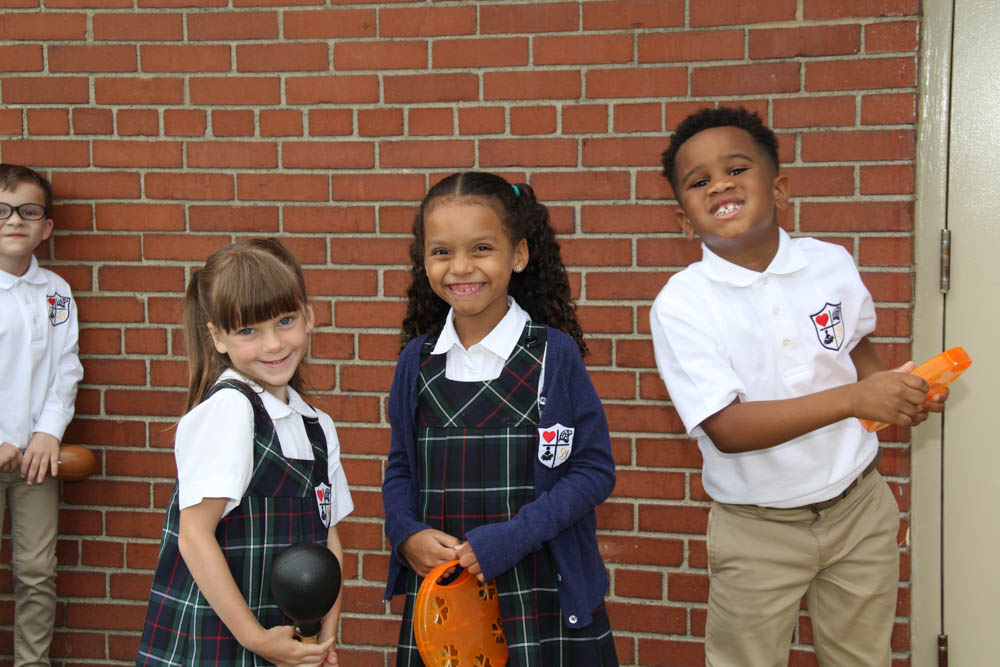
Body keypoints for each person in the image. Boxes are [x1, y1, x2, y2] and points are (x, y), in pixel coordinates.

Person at [649, 107, 948, 666]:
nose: (720, 185)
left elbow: (856, 353)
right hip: (756, 528)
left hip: (858, 507)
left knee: (862, 658)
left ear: (779, 188)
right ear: (684, 220)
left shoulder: (830, 263)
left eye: (737, 169)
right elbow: (728, 428)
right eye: (699, 181)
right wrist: (855, 400)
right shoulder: (683, 304)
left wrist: (898, 394)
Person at [382, 172, 618, 666]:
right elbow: (402, 466)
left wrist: (512, 538)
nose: (460, 267)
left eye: (482, 248)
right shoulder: (417, 362)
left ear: (519, 254)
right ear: (423, 259)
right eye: (442, 251)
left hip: (541, 596)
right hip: (448, 606)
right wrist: (404, 532)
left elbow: (593, 470)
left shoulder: (555, 357)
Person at [136, 238, 352, 667]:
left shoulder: (318, 427)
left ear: (309, 317)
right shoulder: (231, 411)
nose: (273, 344)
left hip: (285, 641)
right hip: (221, 641)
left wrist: (322, 636)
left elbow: (330, 539)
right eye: (249, 330)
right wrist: (256, 639)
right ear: (218, 337)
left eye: (285, 320)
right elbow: (194, 536)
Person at [0, 164, 84, 665]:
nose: (14, 221)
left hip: (33, 463)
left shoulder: (57, 292)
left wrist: (49, 433)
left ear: (45, 226)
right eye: (3, 211)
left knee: (36, 572)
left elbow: (65, 368)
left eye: (28, 212)